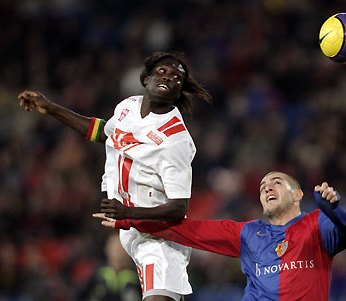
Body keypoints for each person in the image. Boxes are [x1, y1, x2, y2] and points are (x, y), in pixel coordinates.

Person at [18, 51, 213, 301]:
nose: (168, 77)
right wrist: (52, 108)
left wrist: (127, 213)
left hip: (160, 237)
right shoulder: (127, 107)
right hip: (130, 230)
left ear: (180, 90)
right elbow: (102, 132)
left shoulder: (175, 139)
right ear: (146, 79)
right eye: (162, 71)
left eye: (177, 77)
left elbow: (178, 208)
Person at [94, 171, 346, 301]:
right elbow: (186, 230)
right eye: (262, 187)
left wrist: (334, 210)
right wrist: (129, 217)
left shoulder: (317, 224)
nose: (267, 187)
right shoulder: (248, 233)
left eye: (276, 182)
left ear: (298, 195)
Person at [78, 233, 142, 301]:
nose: (117, 251)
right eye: (114, 247)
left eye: (121, 247)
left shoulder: (138, 273)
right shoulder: (99, 271)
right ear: (106, 248)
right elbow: (80, 294)